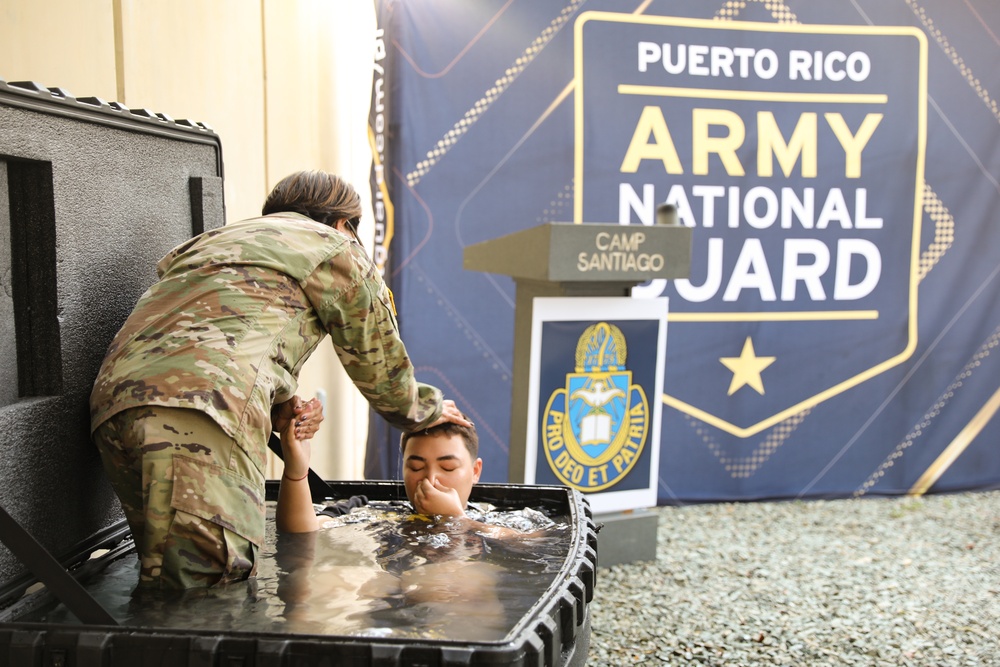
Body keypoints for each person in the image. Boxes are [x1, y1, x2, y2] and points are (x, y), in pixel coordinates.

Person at [90, 170, 471, 590]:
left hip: (113, 406)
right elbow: (380, 369)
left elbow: (210, 333)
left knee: (162, 579)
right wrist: (427, 411)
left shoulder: (213, 242)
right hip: (200, 417)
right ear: (345, 224)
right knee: (210, 593)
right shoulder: (334, 246)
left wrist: (278, 403)